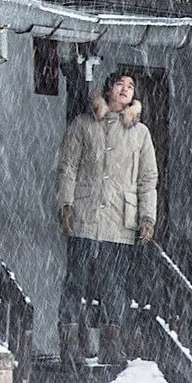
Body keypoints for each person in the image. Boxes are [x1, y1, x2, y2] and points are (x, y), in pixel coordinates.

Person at [54, 69, 158, 367]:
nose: (125, 89)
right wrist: (66, 205)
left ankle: (113, 346)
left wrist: (148, 217)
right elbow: (68, 167)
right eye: (120, 84)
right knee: (75, 280)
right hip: (85, 215)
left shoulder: (140, 134)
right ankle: (70, 346)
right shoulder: (84, 125)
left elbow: (148, 178)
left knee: (115, 284)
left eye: (131, 86)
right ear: (108, 89)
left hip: (120, 219)